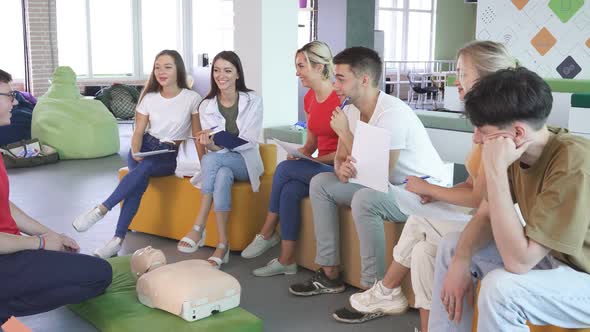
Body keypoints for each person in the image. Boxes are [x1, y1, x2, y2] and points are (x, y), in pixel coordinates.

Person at [332, 41, 517, 330]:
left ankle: (386, 287)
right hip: (472, 214)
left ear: (485, 78)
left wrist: (429, 190)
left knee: (418, 219)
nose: (455, 81)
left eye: (462, 73)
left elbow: (482, 198)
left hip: (499, 228)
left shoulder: (500, 128)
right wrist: (434, 194)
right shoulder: (482, 124)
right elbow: (471, 185)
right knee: (421, 252)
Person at [428, 67, 590, 331]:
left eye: (482, 130)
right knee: (452, 247)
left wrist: (494, 170)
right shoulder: (517, 152)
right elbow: (484, 214)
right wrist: (460, 261)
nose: (476, 138)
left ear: (517, 134)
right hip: (554, 261)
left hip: (583, 276)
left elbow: (519, 261)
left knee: (501, 290)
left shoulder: (573, 160)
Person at [288, 47, 450, 297]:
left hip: (418, 193)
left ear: (364, 79)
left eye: (341, 78)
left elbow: (379, 174)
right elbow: (343, 159)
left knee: (365, 199)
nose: (335, 84)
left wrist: (344, 133)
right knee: (321, 182)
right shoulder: (351, 109)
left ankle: (373, 289)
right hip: (386, 186)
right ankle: (330, 272)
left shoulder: (391, 114)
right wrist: (341, 169)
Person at [0, 69, 112, 324]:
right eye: (10, 95)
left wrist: (51, 235)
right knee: (99, 274)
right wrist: (38, 244)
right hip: (5, 259)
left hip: (11, 251)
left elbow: (4, 206)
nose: (15, 102)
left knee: (77, 265)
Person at [72, 50, 203, 258]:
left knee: (147, 168)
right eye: (157, 67)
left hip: (167, 154)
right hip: (144, 148)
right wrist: (135, 150)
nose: (161, 71)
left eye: (167, 67)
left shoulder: (192, 98)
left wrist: (205, 164)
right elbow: (139, 132)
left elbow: (197, 134)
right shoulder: (149, 98)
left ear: (178, 69)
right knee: (138, 184)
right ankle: (117, 240)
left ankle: (102, 209)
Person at [240, 41, 340, 277]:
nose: (297, 72)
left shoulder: (341, 99)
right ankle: (287, 260)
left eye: (301, 66)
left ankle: (266, 232)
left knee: (283, 170)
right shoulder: (309, 99)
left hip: (338, 167)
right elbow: (311, 144)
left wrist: (315, 160)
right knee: (289, 190)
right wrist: (301, 154)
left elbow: (350, 150)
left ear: (318, 67)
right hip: (320, 165)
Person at [176, 51, 263, 269]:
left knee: (212, 162)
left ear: (237, 74)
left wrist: (221, 144)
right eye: (216, 70)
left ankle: (199, 226)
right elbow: (215, 148)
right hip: (223, 161)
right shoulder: (207, 105)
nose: (220, 75)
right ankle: (222, 245)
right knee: (220, 171)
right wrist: (209, 142)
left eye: (227, 70)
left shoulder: (253, 100)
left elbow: (250, 141)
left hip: (246, 161)